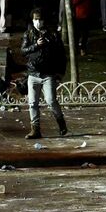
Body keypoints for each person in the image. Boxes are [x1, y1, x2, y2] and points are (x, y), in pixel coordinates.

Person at [21, 8, 68, 139]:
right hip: (33, 74)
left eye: (39, 19)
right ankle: (35, 129)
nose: (37, 22)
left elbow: (61, 55)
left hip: (48, 74)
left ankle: (61, 123)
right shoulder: (29, 34)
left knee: (51, 101)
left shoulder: (52, 35)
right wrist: (35, 45)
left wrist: (60, 73)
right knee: (32, 103)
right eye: (35, 19)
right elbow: (23, 50)